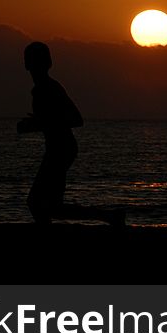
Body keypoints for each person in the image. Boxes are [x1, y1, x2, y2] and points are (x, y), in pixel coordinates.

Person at [17, 41, 124, 227]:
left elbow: (76, 119)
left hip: (62, 149)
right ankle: (109, 216)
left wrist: (38, 123)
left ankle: (109, 216)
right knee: (47, 204)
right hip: (58, 149)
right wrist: (37, 123)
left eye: (35, 60)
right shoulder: (40, 89)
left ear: (46, 63)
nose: (32, 65)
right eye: (31, 60)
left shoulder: (50, 88)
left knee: (37, 202)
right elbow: (52, 120)